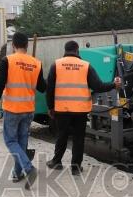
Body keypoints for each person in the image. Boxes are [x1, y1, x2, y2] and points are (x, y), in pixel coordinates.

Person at [46, 41, 121, 175]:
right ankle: (75, 167)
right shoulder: (86, 66)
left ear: (65, 50)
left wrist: (50, 107)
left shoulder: (56, 65)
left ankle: (56, 162)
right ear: (77, 50)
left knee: (62, 135)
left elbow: (49, 89)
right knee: (78, 138)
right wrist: (113, 85)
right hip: (80, 110)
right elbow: (98, 86)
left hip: (62, 109)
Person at [0, 32, 46, 188]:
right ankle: (18, 172)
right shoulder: (36, 63)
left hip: (13, 109)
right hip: (28, 110)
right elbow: (42, 87)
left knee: (10, 141)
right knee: (22, 142)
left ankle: (28, 169)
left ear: (13, 45)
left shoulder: (8, 60)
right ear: (27, 46)